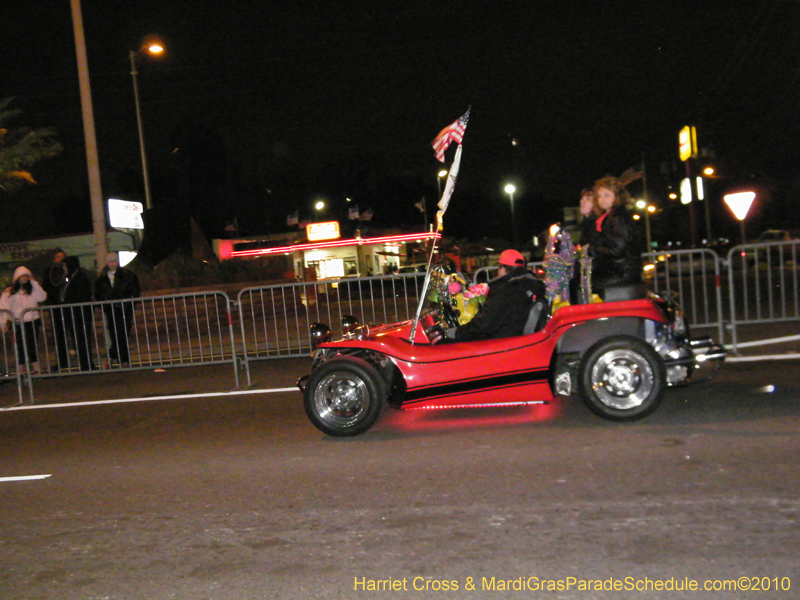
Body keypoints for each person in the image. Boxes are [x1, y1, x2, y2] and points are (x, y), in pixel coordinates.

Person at [444, 249, 545, 342]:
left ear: (502, 268)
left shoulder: (507, 291)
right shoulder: (532, 286)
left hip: (499, 343)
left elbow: (483, 325)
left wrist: (455, 333)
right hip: (517, 339)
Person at [587, 175, 644, 298]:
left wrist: (592, 250)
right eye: (599, 196)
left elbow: (618, 249)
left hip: (622, 272)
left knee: (585, 285)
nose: (602, 199)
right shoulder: (611, 217)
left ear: (617, 196)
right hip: (618, 270)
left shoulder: (618, 218)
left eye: (607, 195)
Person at [94, 252, 140, 368]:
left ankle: (114, 356)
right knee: (118, 334)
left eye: (114, 261)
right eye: (110, 261)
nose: (112, 264)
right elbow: (98, 294)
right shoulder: (103, 278)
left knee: (121, 334)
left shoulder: (126, 275)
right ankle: (122, 359)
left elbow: (135, 290)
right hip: (112, 310)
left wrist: (130, 302)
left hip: (124, 308)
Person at [0, 266, 48, 373]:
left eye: (26, 276)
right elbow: (4, 307)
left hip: (32, 321)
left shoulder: (32, 290)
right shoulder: (10, 292)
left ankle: (35, 367)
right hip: (17, 322)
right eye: (22, 276)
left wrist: (34, 283)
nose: (24, 278)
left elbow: (42, 297)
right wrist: (3, 322)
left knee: (32, 344)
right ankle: (21, 369)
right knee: (19, 346)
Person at [62, 256, 96, 371]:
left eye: (65, 265)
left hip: (80, 313)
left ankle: (86, 363)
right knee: (78, 338)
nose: (64, 268)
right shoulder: (70, 277)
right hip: (74, 313)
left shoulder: (79, 277)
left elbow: (81, 294)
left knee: (82, 338)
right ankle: (84, 362)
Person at [41, 248, 71, 370]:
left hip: (68, 306)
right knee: (58, 335)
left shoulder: (69, 270)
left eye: (62, 256)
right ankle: (62, 361)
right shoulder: (49, 272)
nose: (61, 259)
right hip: (56, 306)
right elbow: (47, 287)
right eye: (58, 257)